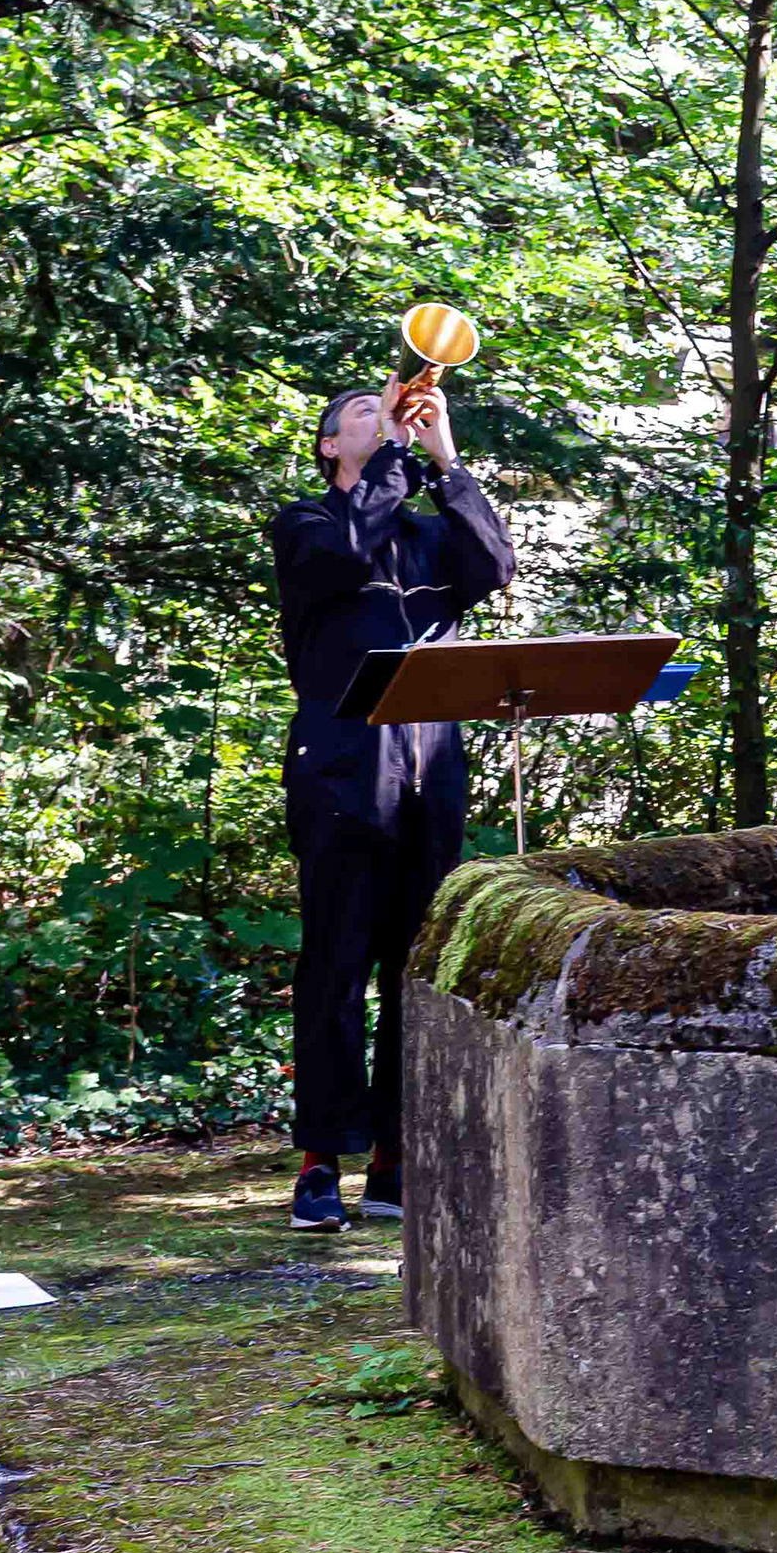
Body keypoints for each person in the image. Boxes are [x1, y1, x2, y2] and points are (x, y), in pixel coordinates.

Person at [270, 372, 513, 1233]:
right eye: (364, 414)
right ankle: (319, 1164)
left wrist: (443, 454)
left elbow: (493, 564)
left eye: (390, 410)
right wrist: (396, 456)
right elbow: (345, 551)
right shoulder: (303, 525)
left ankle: (394, 1161)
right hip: (342, 773)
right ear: (331, 445)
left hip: (431, 773)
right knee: (334, 969)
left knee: (416, 975)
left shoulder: (420, 529)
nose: (387, 415)